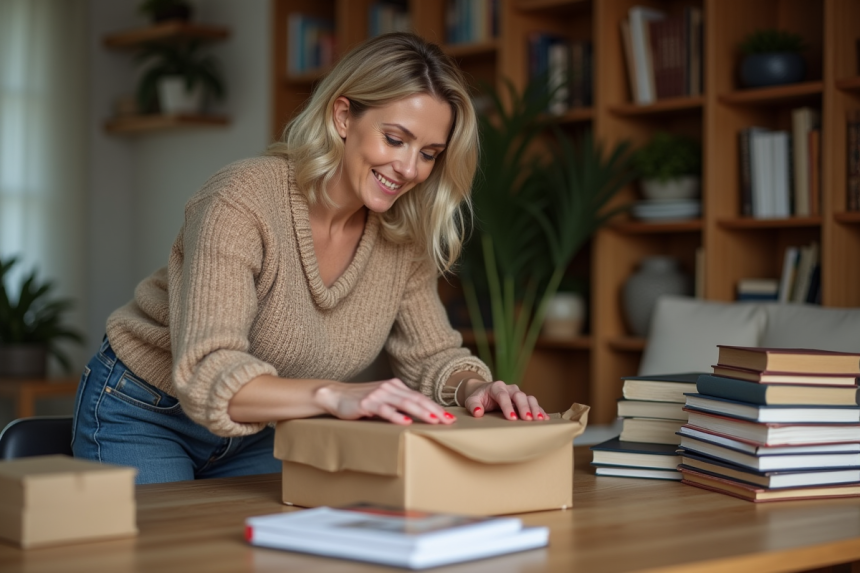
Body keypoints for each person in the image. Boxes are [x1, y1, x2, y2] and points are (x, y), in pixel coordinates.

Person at [72, 32, 547, 485]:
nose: (409, 168)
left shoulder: (402, 236)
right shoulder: (243, 198)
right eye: (395, 139)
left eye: (429, 153)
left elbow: (432, 355)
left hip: (264, 428)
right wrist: (333, 394)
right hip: (146, 411)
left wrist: (472, 389)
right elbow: (207, 370)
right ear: (344, 117)